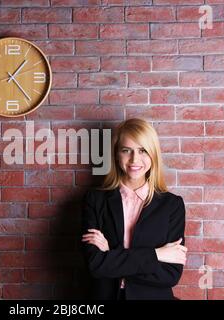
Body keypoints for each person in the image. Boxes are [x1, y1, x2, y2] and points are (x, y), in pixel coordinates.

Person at [81, 118, 187, 300]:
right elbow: (95, 265)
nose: (134, 159)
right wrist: (157, 254)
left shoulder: (172, 206)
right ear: (116, 155)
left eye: (143, 151)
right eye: (126, 150)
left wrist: (111, 256)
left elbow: (170, 274)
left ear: (153, 155)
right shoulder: (95, 200)